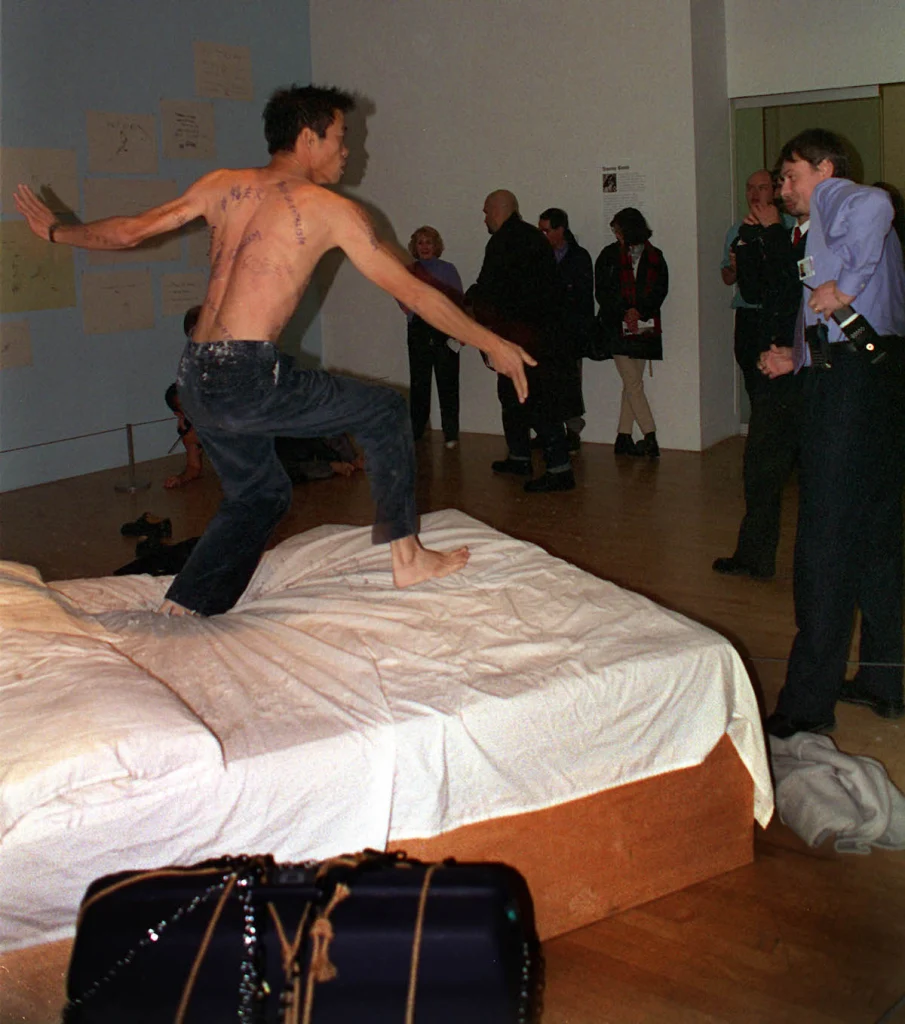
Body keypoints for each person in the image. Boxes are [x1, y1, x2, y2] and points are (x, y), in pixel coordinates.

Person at [15, 84, 535, 616]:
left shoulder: (222, 184)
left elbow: (131, 232)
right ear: (309, 138)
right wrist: (492, 343)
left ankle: (188, 603)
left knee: (261, 494)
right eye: (341, 137)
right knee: (384, 410)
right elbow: (415, 294)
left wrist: (56, 231)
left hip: (194, 375)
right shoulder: (329, 209)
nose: (348, 150)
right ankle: (408, 557)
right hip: (245, 377)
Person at [759, 129, 905, 737]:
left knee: (824, 539)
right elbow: (826, 315)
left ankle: (805, 707)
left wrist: (842, 291)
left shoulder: (841, 198)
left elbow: (877, 203)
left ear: (824, 169)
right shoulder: (821, 226)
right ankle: (885, 681)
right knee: (877, 534)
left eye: (790, 176)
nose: (782, 189)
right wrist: (796, 357)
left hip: (851, 383)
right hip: (873, 374)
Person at [712, 170, 806, 580]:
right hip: (770, 346)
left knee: (807, 466)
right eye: (780, 183)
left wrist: (770, 235)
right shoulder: (756, 231)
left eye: (788, 181)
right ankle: (754, 556)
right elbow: (753, 291)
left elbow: (796, 288)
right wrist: (750, 247)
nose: (782, 191)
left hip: (807, 358)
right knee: (760, 463)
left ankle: (817, 567)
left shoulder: (811, 235)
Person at [467, 189, 574, 493]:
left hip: (522, 335)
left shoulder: (503, 241)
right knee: (517, 395)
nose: (484, 218)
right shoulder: (531, 237)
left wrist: (468, 304)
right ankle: (521, 457)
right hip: (538, 333)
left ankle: (557, 469)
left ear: (498, 210)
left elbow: (490, 288)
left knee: (531, 397)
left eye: (486, 211)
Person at [594, 207, 668, 457]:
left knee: (632, 384)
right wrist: (626, 312)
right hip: (616, 328)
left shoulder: (655, 256)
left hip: (645, 328)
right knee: (634, 383)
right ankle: (650, 435)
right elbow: (602, 292)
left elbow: (660, 290)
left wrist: (640, 312)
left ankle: (623, 437)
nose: (616, 235)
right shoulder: (608, 255)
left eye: (619, 231)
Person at [401, 225, 463, 448]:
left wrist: (457, 332)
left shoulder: (448, 269)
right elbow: (401, 296)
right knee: (419, 383)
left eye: (428, 242)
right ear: (415, 247)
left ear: (436, 245)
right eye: (420, 242)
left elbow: (458, 300)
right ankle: (417, 430)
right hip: (418, 330)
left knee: (448, 383)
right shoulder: (409, 270)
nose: (424, 246)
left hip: (445, 330)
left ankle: (451, 433)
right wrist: (415, 312)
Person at [538, 207, 592, 453]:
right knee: (545, 384)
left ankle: (572, 431)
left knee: (570, 383)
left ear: (560, 230)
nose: (543, 235)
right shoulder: (539, 256)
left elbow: (584, 297)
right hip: (545, 329)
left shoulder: (579, 257)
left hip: (570, 330)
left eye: (547, 230)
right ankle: (549, 431)